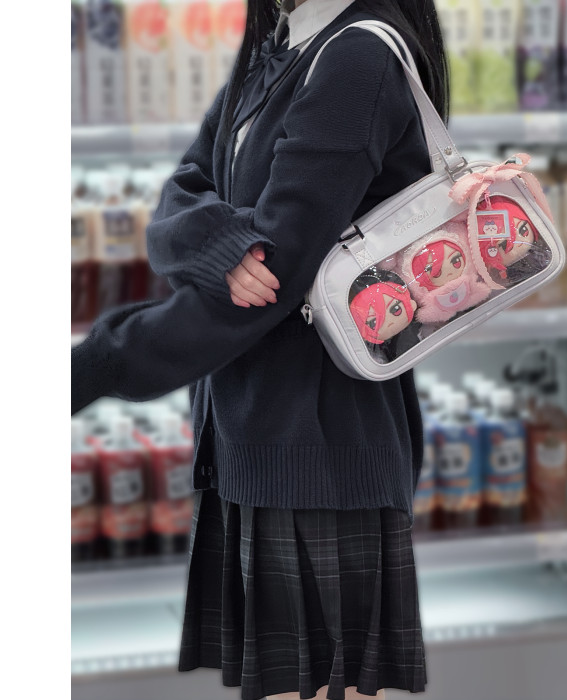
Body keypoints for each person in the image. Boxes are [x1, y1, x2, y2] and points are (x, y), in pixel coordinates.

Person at [71, 0, 451, 698]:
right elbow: (179, 197)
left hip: (320, 454)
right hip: (260, 438)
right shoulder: (282, 46)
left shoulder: (354, 58)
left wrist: (96, 364)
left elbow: (268, 284)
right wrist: (222, 242)